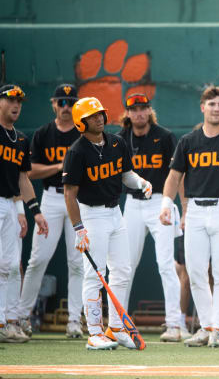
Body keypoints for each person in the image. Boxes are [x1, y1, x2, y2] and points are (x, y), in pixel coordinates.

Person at [159, 85, 219, 348]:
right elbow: (174, 176)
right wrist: (167, 204)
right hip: (196, 210)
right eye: (211, 104)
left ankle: (218, 329)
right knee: (196, 271)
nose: (215, 108)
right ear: (203, 107)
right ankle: (207, 325)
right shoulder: (188, 141)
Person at [62, 96, 152, 350]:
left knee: (123, 271)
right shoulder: (77, 152)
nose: (99, 118)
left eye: (100, 113)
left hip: (116, 213)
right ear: (82, 122)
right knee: (94, 274)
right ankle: (93, 332)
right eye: (92, 116)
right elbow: (69, 194)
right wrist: (79, 228)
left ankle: (116, 328)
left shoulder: (116, 142)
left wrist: (141, 183)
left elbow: (126, 175)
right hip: (92, 215)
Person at [17, 84, 83, 340]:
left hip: (78, 200)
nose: (66, 107)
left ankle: (75, 320)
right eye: (61, 102)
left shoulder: (82, 133)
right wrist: (59, 165)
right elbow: (30, 171)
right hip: (52, 199)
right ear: (53, 104)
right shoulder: (43, 133)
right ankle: (21, 316)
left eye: (70, 102)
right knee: (37, 259)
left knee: (77, 262)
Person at [117, 93, 183, 343]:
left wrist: (180, 206)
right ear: (128, 112)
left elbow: (178, 174)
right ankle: (118, 322)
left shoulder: (164, 136)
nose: (139, 113)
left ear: (149, 110)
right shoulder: (121, 138)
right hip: (132, 203)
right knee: (125, 264)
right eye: (134, 109)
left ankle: (175, 324)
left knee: (166, 264)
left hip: (159, 202)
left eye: (143, 108)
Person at [0, 84, 48, 343]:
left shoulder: (20, 139)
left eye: (19, 100)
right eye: (10, 99)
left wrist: (35, 212)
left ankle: (8, 322)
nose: (16, 105)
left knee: (9, 266)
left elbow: (23, 179)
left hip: (8, 204)